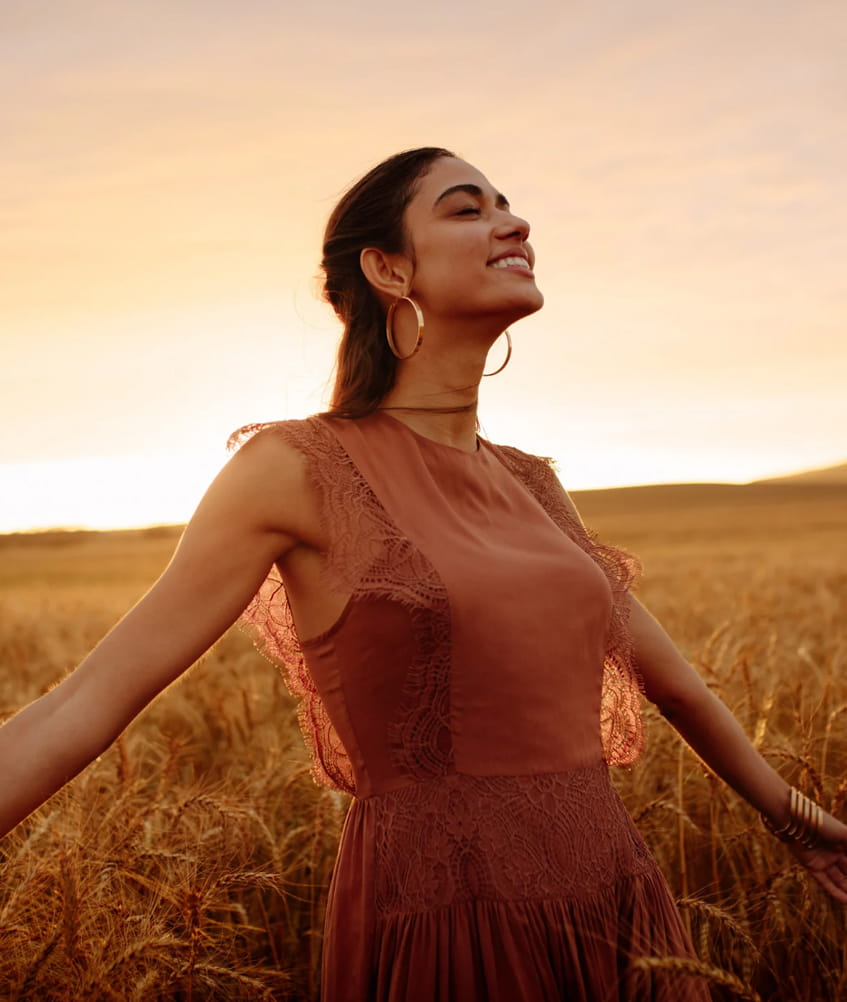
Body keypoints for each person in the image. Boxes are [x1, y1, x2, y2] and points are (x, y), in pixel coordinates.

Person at [1, 146, 846, 1002]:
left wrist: (804, 828)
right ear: (387, 268)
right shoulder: (294, 466)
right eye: (465, 208)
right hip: (449, 918)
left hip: (616, 904)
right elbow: (84, 703)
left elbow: (678, 690)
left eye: (508, 205)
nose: (513, 223)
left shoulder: (533, 483)